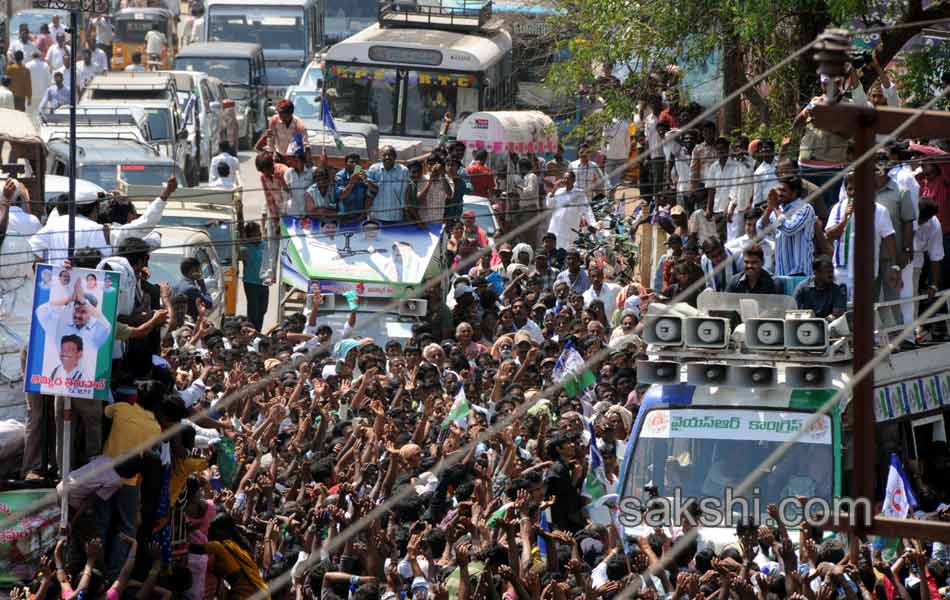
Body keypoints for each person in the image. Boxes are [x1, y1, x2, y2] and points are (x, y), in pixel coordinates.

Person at [825, 173, 896, 301]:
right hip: (841, 273)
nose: (852, 193)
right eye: (849, 189)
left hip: (866, 273)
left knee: (863, 315)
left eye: (857, 189)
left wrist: (894, 267)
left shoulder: (879, 211)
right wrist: (844, 219)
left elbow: (890, 240)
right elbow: (829, 235)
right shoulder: (838, 208)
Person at [758, 176, 816, 277]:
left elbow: (789, 229)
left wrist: (775, 208)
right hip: (780, 273)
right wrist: (769, 208)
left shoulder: (805, 208)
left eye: (783, 190)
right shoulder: (778, 210)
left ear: (794, 192)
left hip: (799, 273)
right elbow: (760, 229)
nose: (779, 194)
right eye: (778, 190)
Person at [546, 170, 596, 250]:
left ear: (573, 180)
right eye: (564, 178)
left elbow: (586, 210)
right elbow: (549, 205)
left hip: (568, 229)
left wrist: (593, 224)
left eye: (568, 178)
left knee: (566, 251)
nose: (566, 180)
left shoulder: (579, 193)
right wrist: (554, 188)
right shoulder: (559, 191)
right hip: (555, 228)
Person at [793, 255, 847, 319]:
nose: (831, 275)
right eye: (828, 272)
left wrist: (825, 321)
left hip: (828, 325)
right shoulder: (802, 288)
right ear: (816, 273)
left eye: (832, 271)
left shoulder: (836, 289)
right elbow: (793, 313)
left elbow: (837, 314)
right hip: (805, 324)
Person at [365, 145, 408, 224]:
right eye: (384, 155)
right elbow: (370, 193)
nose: (387, 157)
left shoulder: (403, 170)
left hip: (396, 217)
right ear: (380, 156)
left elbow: (404, 194)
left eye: (390, 155)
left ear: (395, 156)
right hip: (376, 217)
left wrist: (405, 213)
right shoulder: (373, 169)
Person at [240, 221, 268, 331]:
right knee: (253, 311)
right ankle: (251, 333)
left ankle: (257, 331)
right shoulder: (245, 246)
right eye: (254, 234)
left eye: (258, 233)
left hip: (264, 282)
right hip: (250, 283)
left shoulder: (264, 245)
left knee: (262, 310)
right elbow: (240, 228)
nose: (257, 236)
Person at [335, 152, 370, 221]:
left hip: (360, 216)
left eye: (357, 162)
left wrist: (367, 181)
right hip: (344, 217)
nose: (354, 164)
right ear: (345, 164)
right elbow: (341, 195)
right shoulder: (340, 176)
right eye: (351, 162)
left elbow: (369, 196)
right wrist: (352, 182)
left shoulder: (364, 175)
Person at [25, 50, 50, 115]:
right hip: (42, 94)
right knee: (41, 114)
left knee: (29, 115)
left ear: (32, 56)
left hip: (31, 95)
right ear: (40, 56)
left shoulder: (27, 65)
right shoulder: (45, 65)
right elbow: (49, 80)